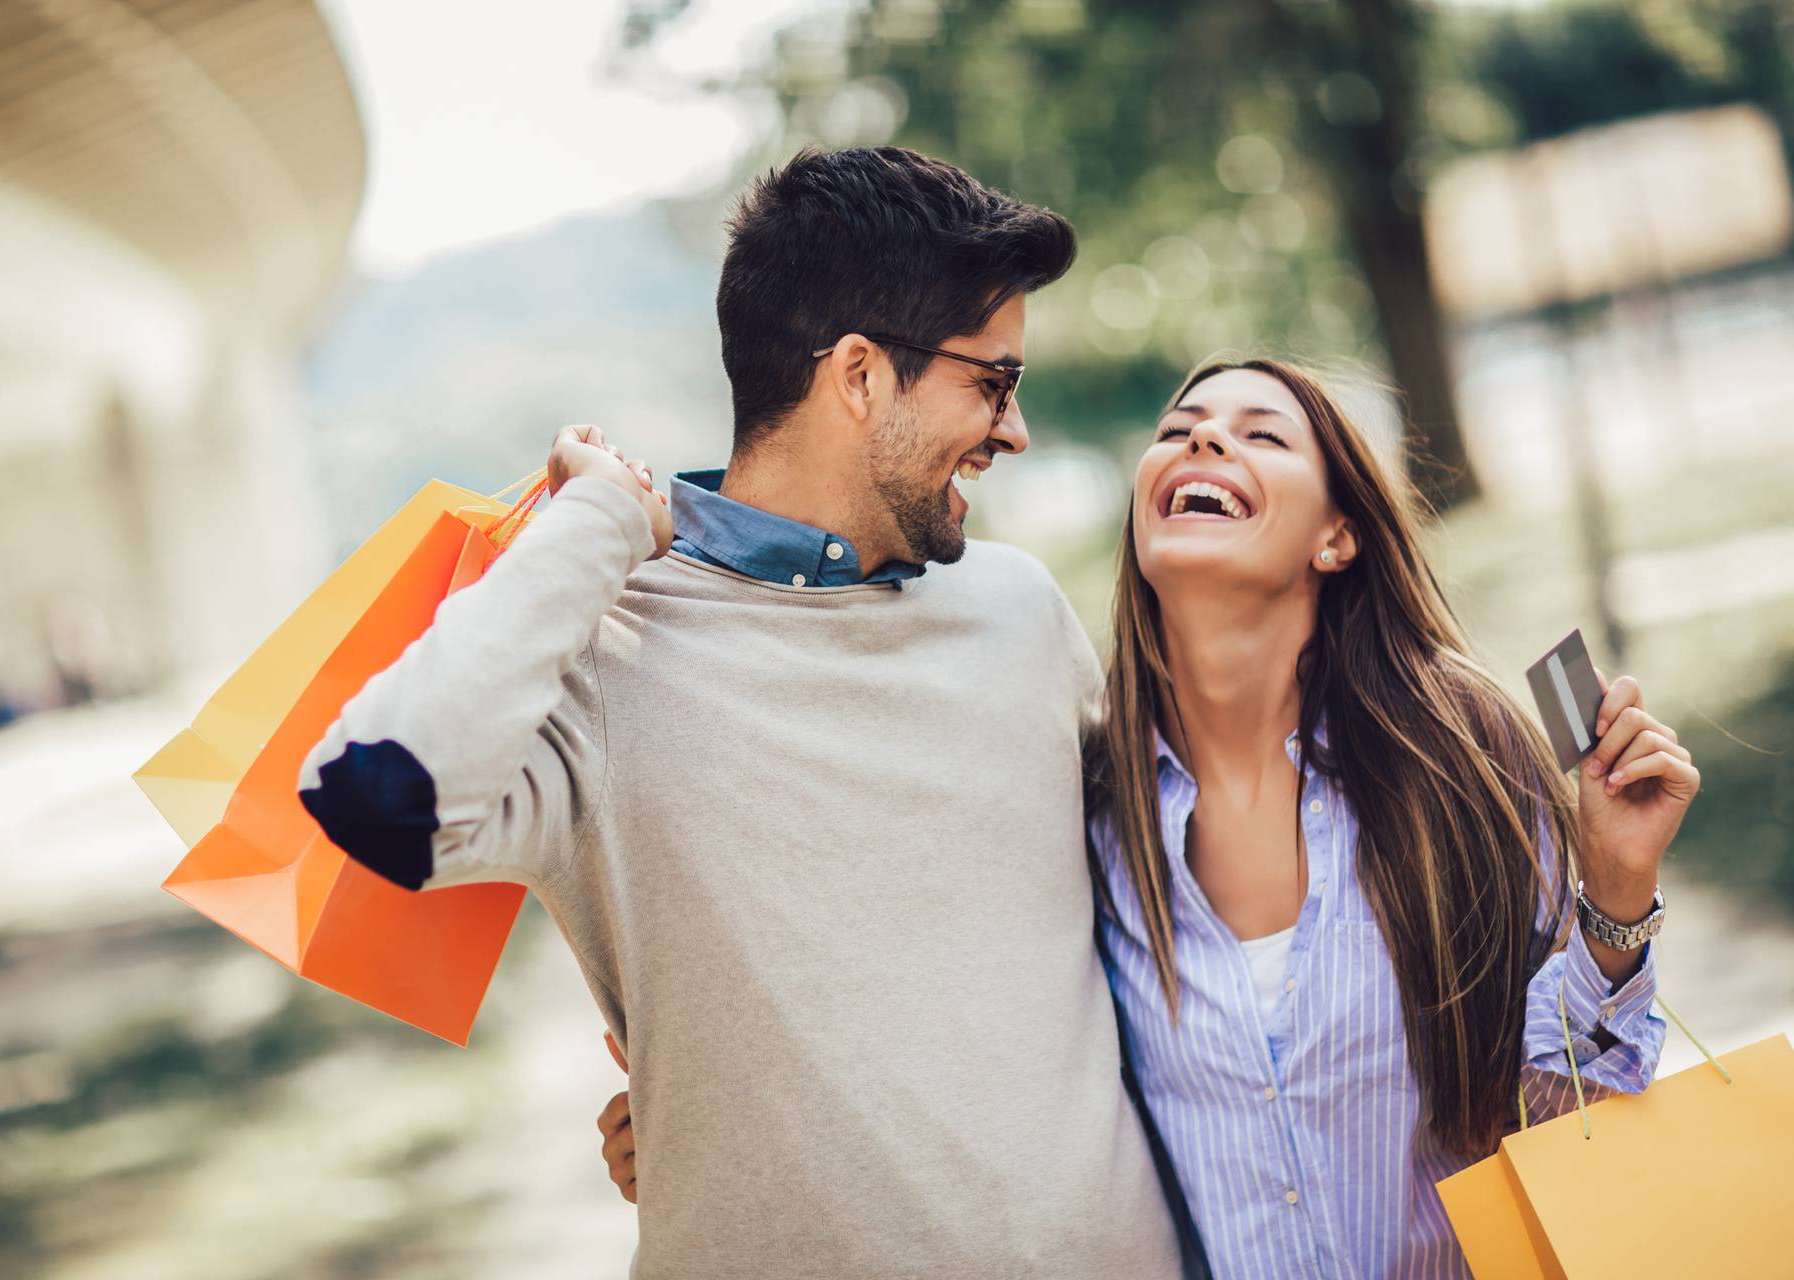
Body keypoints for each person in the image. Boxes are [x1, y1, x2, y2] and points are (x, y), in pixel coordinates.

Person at [599, 356, 1698, 1279]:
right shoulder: (1084, 814)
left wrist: (1614, 897)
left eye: (1260, 436)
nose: (1205, 446)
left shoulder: (1459, 759)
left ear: (1337, 537)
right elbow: (976, 1043)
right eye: (1181, 429)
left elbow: (1572, 1124)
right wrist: (718, 1113)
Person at [297, 147, 1188, 1279]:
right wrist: (596, 527)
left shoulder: (1020, 611)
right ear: (860, 375)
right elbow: (371, 789)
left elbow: (1169, 915)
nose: (1013, 430)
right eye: (993, 383)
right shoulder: (606, 652)